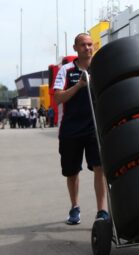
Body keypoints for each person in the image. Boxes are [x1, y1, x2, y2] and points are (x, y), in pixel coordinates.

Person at [53, 33, 108, 225]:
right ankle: (75, 207)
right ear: (75, 48)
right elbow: (58, 98)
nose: (88, 48)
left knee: (99, 168)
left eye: (90, 44)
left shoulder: (101, 69)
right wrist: (79, 85)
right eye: (83, 45)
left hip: (95, 127)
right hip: (70, 129)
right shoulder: (66, 70)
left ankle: (102, 211)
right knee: (72, 171)